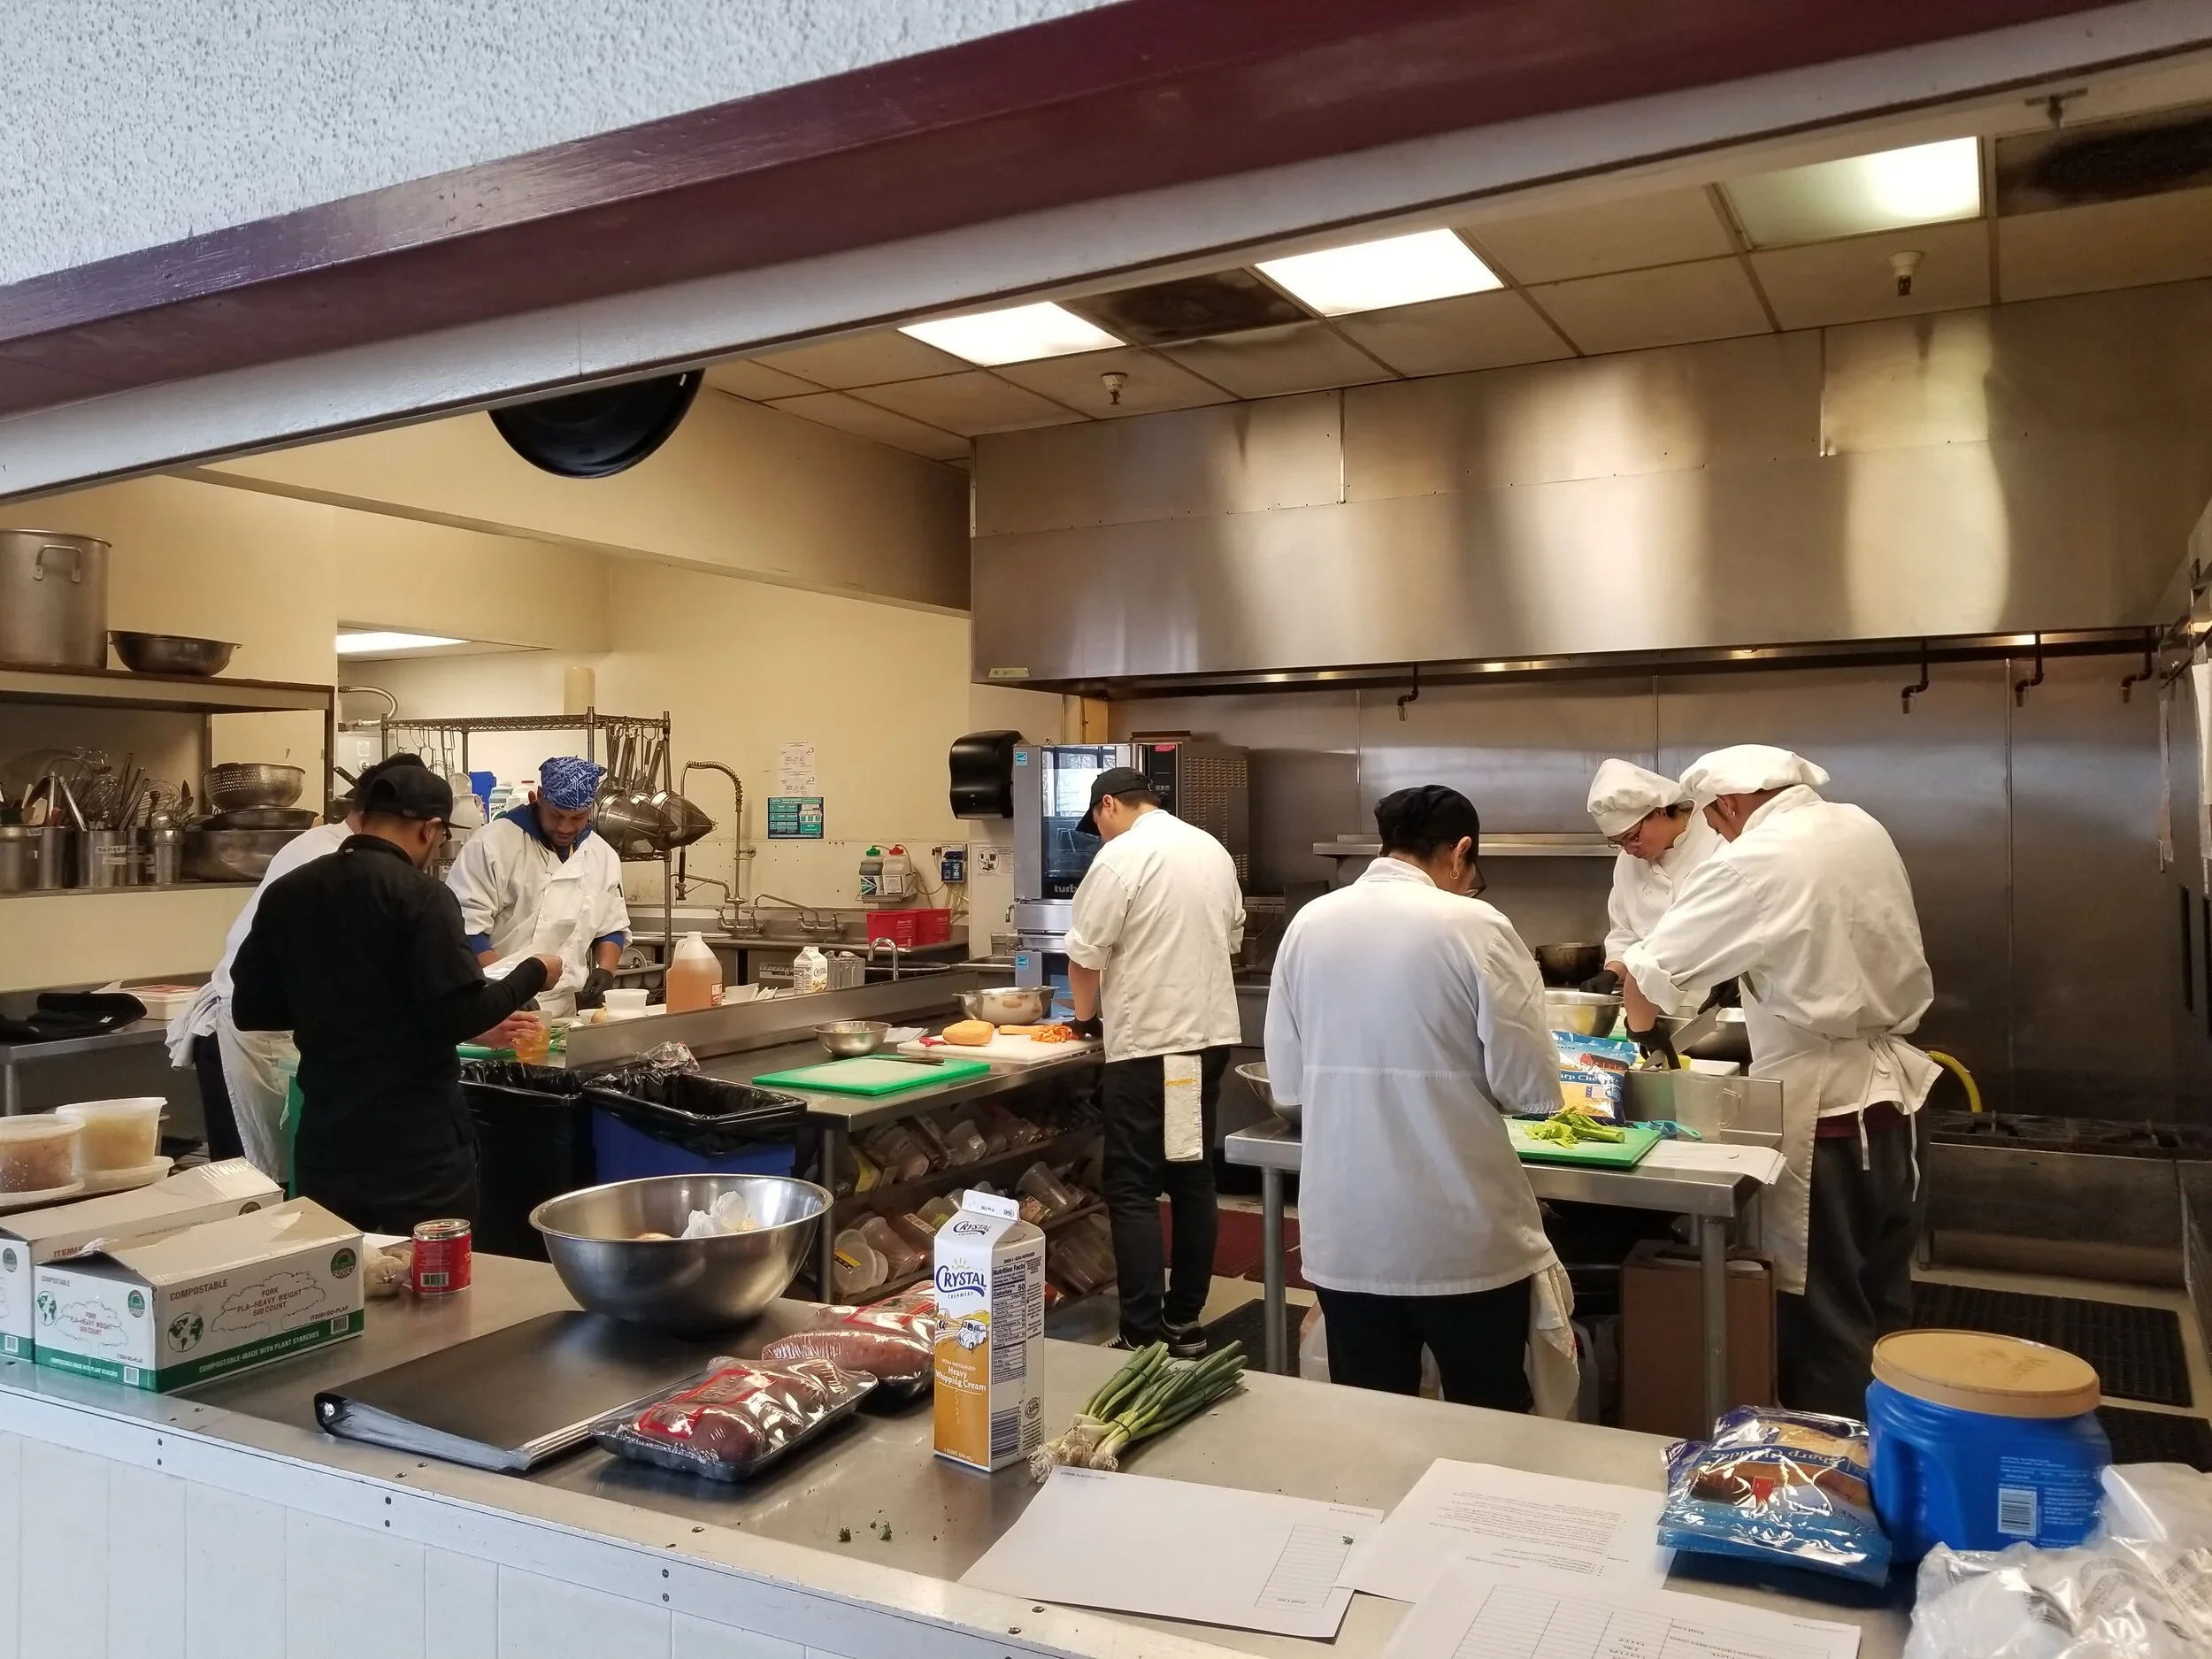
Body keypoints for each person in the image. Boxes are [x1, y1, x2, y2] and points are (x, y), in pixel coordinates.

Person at [1617, 745, 1939, 1417]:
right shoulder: (1860, 826)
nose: (1719, 832)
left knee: (1823, 1321)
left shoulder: (1757, 858)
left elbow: (1654, 969)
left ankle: (1832, 1489)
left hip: (1826, 1114)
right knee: (1882, 1303)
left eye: (1717, 818)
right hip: (1899, 1105)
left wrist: (1644, 1037)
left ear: (1730, 803)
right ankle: (1901, 1466)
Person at [1264, 785, 1561, 1409]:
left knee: (1374, 1429)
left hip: (1348, 1234)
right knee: (1490, 1425)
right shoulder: (1476, 925)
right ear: (1460, 852)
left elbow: (1288, 1085)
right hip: (1460, 1234)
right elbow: (1531, 1089)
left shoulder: (1309, 924)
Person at [165, 753, 539, 1179]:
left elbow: (376, 986)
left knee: (308, 1193)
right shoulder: (361, 875)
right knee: (259, 1184)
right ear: (429, 829)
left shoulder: (320, 871)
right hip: (270, 1046)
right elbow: (371, 989)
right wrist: (530, 974)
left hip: (323, 1090)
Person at [230, 762, 562, 1233]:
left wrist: (334, 1008)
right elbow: (462, 1014)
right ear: (430, 830)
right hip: (416, 1146)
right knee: (429, 1279)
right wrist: (535, 972)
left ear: (363, 817)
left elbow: (251, 1010)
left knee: (344, 1278)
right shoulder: (422, 896)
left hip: (328, 1140)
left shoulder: (289, 891)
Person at [1062, 765, 1244, 1356]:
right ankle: (1184, 1321)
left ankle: (1140, 1332)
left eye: (1097, 822)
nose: (1100, 833)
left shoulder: (1121, 858)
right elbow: (1232, 937)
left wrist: (1085, 1020)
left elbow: (1085, 959)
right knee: (1192, 1175)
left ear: (1109, 804)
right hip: (1207, 1039)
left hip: (1148, 1046)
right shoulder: (1210, 850)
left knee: (1133, 1185)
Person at [447, 756, 629, 1016]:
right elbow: (466, 931)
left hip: (563, 1009)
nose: (566, 827)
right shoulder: (492, 845)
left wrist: (606, 969)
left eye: (577, 817)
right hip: (491, 1002)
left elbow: (611, 927)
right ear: (537, 798)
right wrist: (508, 989)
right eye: (556, 815)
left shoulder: (602, 855)